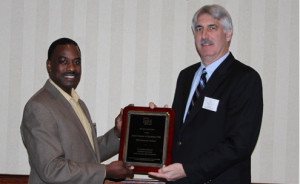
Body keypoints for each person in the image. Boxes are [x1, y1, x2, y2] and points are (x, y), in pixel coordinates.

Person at [149, 4, 263, 184]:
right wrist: (157, 123)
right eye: (199, 29)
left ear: (228, 34)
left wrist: (188, 170)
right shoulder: (186, 76)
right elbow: (183, 135)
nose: (204, 36)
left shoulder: (245, 78)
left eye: (212, 28)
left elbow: (239, 144)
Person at [20, 38, 133, 184]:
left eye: (77, 62)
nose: (72, 68)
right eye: (63, 61)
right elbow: (51, 169)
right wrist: (105, 171)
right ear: (49, 65)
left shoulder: (78, 104)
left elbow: (88, 154)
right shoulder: (39, 106)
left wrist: (118, 133)